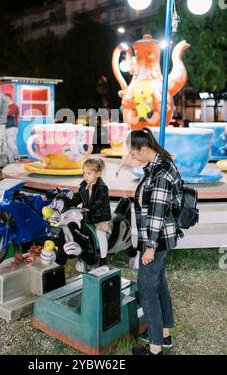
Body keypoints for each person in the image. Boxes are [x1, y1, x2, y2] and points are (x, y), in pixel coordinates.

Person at [126, 128, 183, 356]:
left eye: (133, 152)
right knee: (159, 285)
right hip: (157, 237)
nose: (131, 157)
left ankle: (155, 348)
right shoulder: (157, 166)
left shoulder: (160, 173)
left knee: (147, 288)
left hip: (155, 240)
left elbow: (157, 213)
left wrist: (149, 247)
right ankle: (164, 335)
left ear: (144, 148)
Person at [68, 158, 112, 266]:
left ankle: (103, 258)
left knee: (100, 233)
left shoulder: (102, 187)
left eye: (89, 173)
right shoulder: (83, 186)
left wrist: (88, 208)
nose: (85, 176)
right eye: (84, 173)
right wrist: (70, 202)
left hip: (100, 217)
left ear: (98, 173)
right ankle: (82, 255)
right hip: (87, 216)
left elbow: (100, 202)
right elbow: (78, 197)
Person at [5, 93, 20, 163]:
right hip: (5, 128)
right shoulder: (6, 107)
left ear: (8, 98)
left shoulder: (14, 106)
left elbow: (7, 114)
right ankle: (11, 162)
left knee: (10, 142)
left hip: (12, 127)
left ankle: (17, 156)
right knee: (7, 146)